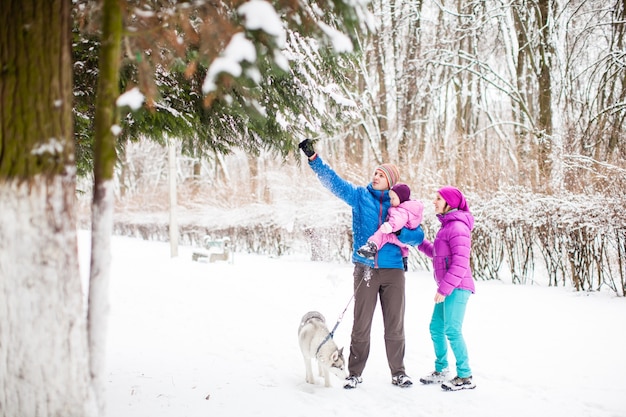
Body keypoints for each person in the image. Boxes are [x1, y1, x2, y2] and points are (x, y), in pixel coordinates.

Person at [298, 139, 425, 389]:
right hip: (365, 269)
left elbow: (419, 236)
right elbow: (334, 183)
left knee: (394, 325)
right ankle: (354, 372)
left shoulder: (400, 206)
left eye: (382, 174)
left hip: (394, 270)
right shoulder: (359, 197)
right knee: (361, 323)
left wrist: (402, 235)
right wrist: (314, 160)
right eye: (375, 172)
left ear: (391, 182)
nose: (376, 176)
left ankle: (399, 372)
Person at [416, 186, 476, 391]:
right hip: (449, 287)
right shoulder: (447, 227)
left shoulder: (458, 228)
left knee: (452, 329)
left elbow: (460, 263)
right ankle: (442, 370)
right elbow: (437, 254)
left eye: (439, 199)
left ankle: (465, 376)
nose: (434, 202)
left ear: (450, 203)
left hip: (458, 287)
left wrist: (444, 290)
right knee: (436, 327)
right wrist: (418, 241)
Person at [356, 183, 424, 271]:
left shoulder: (401, 210)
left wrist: (390, 226)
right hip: (404, 240)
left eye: (393, 198)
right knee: (403, 247)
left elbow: (398, 220)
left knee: (384, 234)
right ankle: (404, 260)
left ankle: (372, 247)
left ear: (401, 198)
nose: (391, 201)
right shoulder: (411, 209)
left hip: (397, 233)